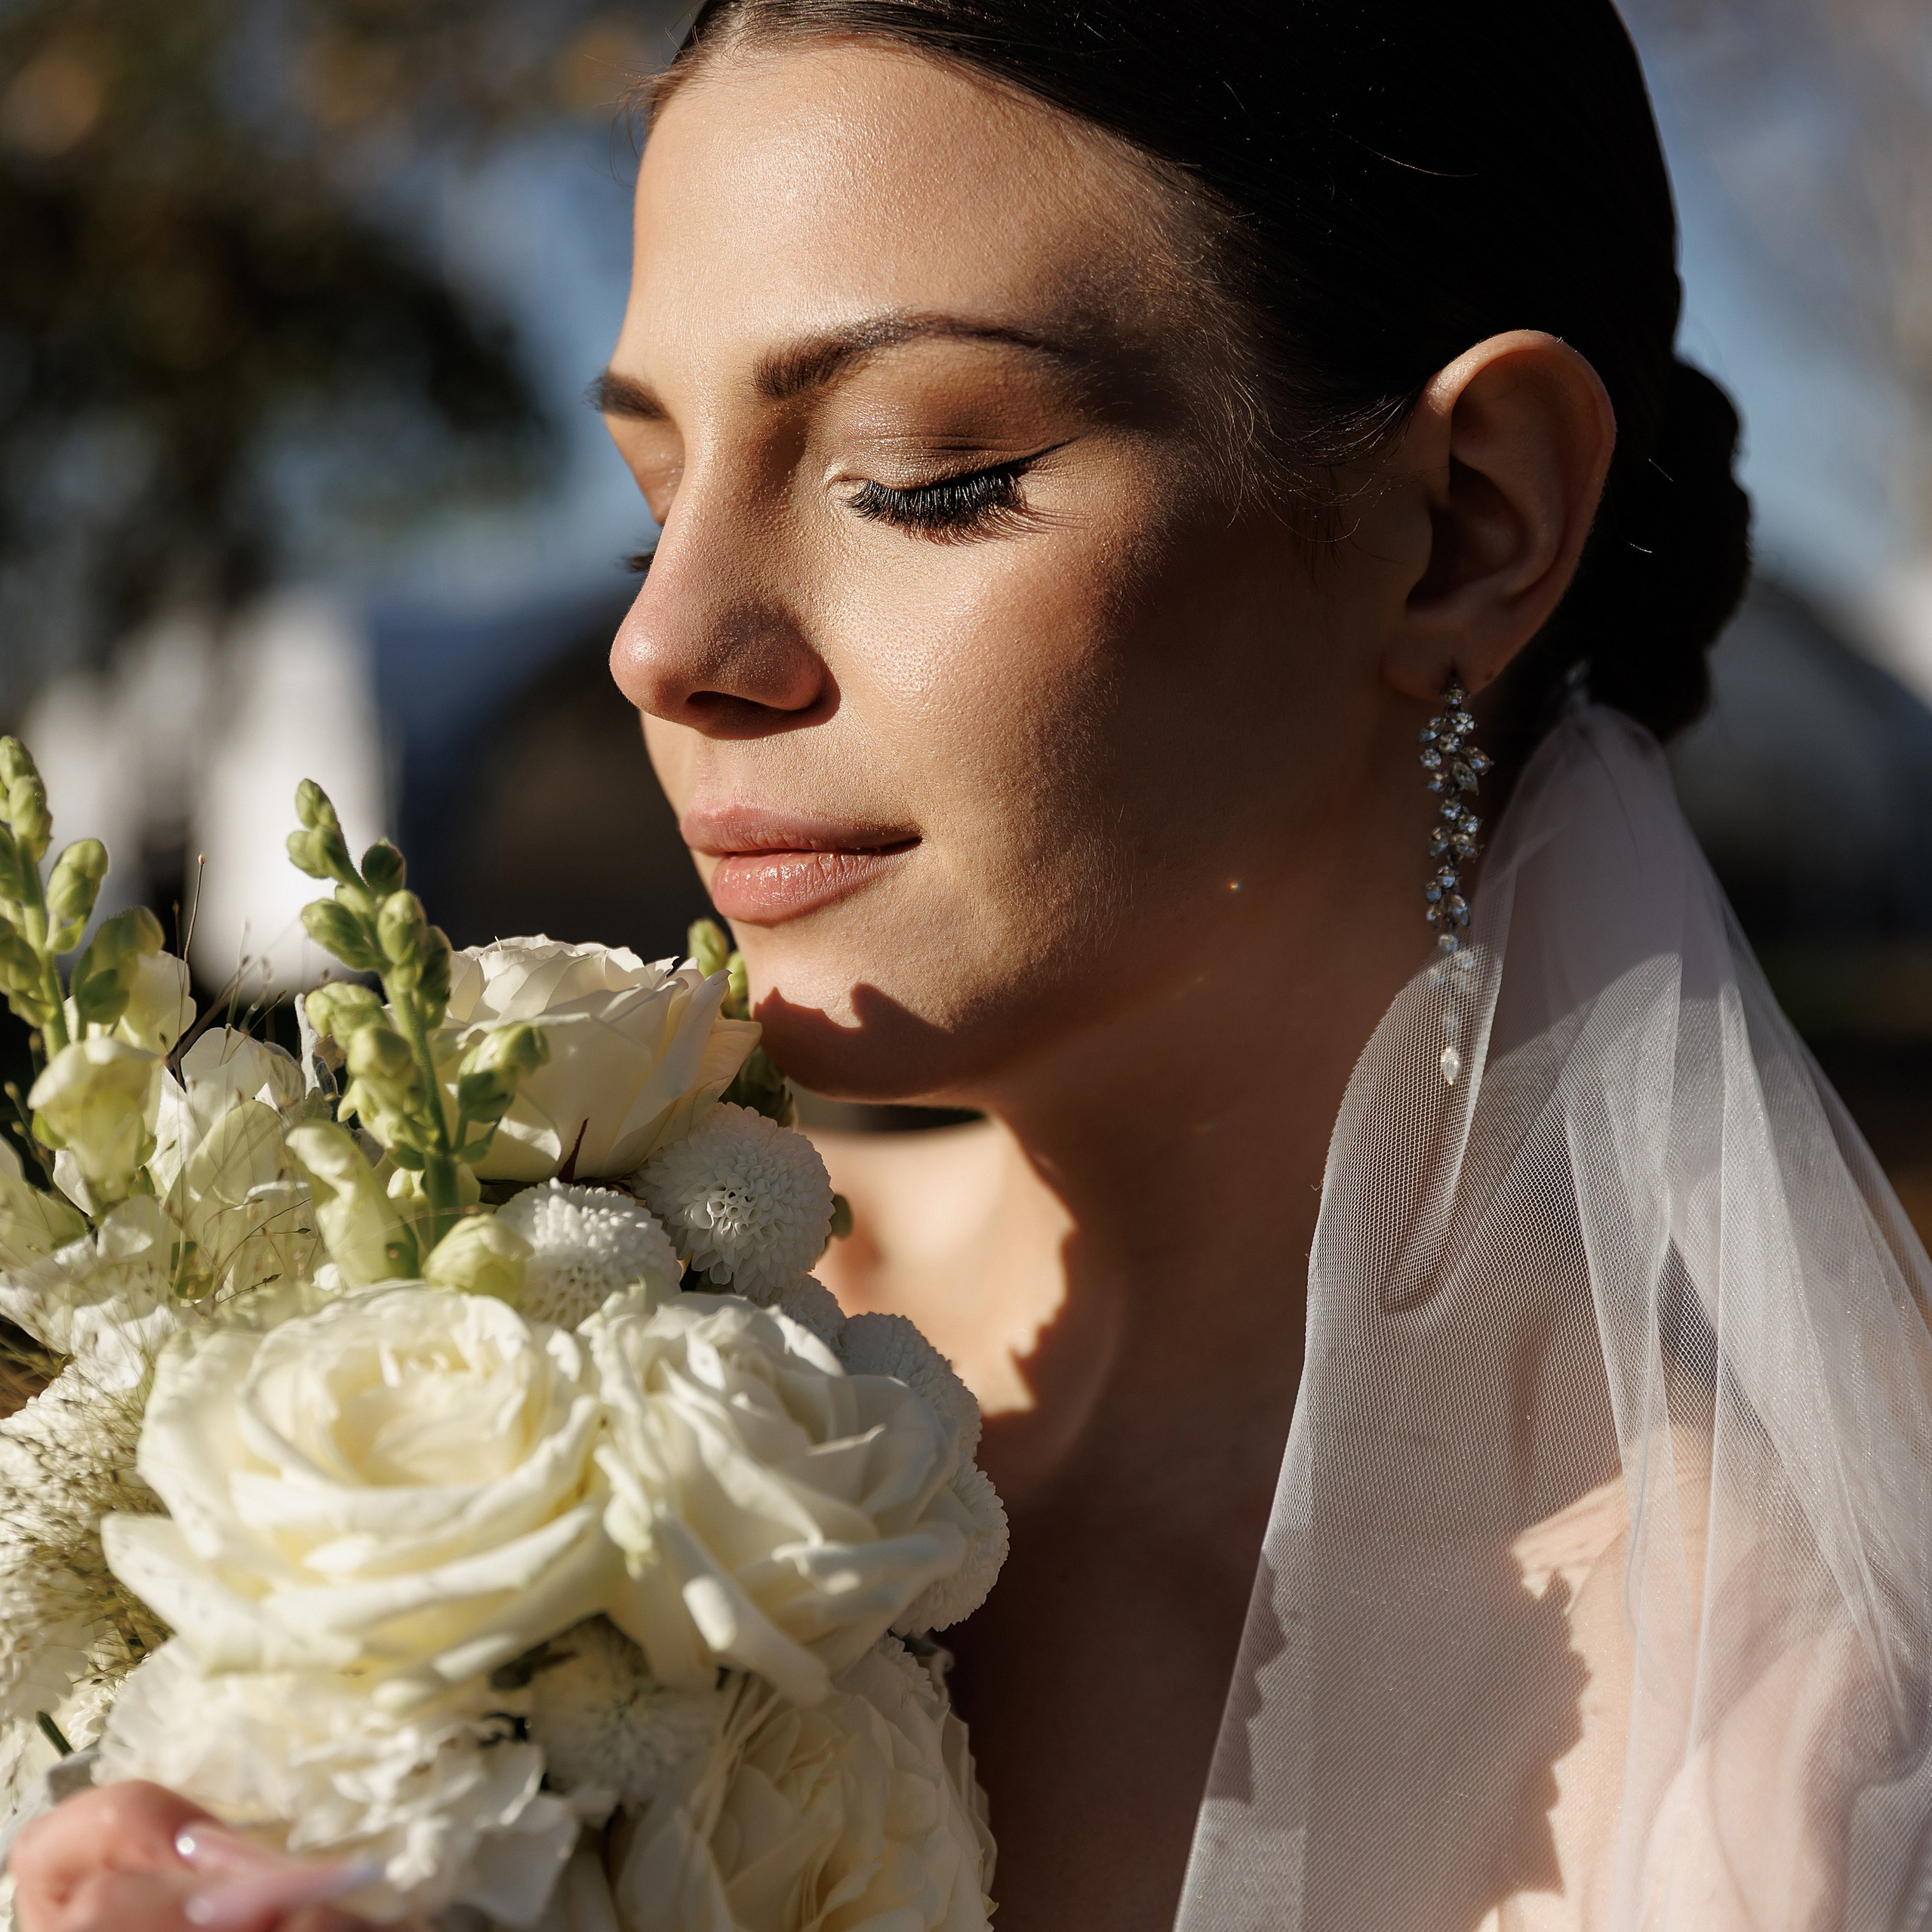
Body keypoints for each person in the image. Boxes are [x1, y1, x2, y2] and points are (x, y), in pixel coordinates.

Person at [19, 2, 1932, 1929]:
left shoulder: (1748, 1744)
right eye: (655, 497)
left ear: (1462, 526)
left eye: (919, 473)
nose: (664, 644)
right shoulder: (525, 1335)